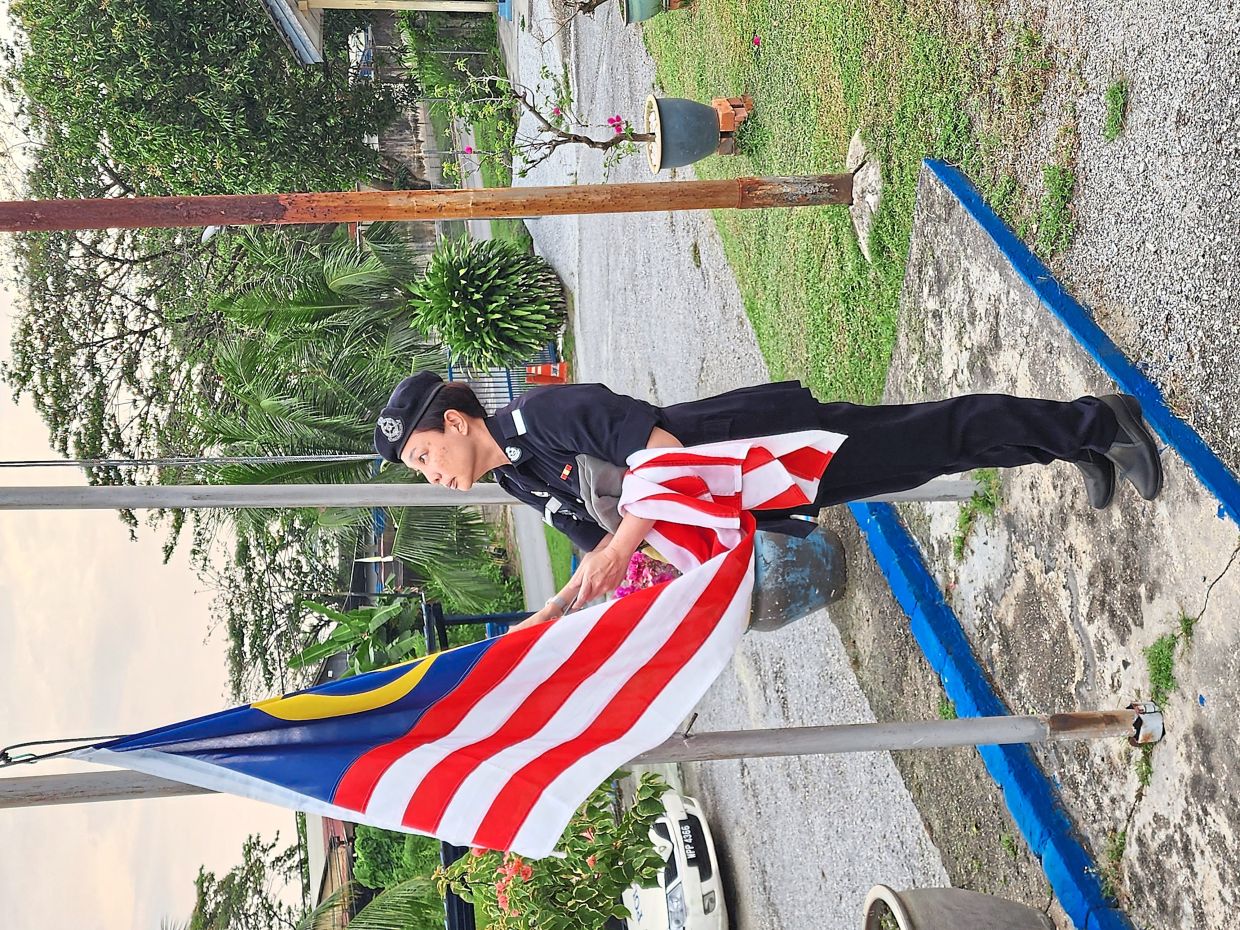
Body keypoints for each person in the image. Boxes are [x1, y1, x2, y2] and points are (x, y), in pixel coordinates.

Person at [373, 374, 1162, 629]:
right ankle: (1075, 443)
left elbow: (660, 454)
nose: (432, 473)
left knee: (934, 438)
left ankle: (1099, 421)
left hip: (765, 451)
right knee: (923, 460)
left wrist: (615, 548)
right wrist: (576, 603)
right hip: (751, 503)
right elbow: (606, 547)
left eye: (423, 455)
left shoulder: (541, 420)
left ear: (453, 420)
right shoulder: (517, 475)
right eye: (420, 468)